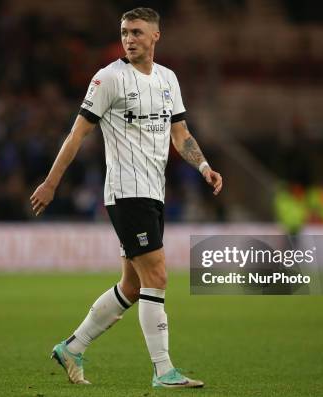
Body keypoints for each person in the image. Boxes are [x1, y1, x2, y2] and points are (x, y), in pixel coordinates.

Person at [30, 7, 222, 388]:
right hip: (125, 192)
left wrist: (204, 167)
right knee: (158, 275)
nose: (129, 38)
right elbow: (77, 134)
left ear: (155, 36)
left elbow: (180, 134)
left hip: (154, 193)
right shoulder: (108, 79)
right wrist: (51, 182)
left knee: (133, 286)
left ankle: (72, 347)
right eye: (124, 32)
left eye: (136, 32)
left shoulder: (168, 79)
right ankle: (163, 370)